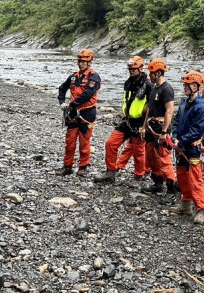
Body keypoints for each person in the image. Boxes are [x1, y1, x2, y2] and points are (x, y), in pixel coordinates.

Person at [102, 56, 152, 184]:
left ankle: (139, 175)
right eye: (130, 69)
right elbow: (127, 100)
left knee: (139, 150)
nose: (131, 71)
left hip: (140, 122)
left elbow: (153, 105)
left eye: (134, 69)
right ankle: (110, 172)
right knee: (110, 143)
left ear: (141, 68)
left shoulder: (148, 85)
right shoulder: (128, 83)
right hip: (127, 120)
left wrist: (145, 123)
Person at [171, 70, 204, 223]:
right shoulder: (184, 102)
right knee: (181, 175)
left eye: (188, 85)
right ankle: (186, 203)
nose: (185, 87)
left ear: (196, 86)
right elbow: (177, 122)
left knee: (195, 179)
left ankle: (201, 208)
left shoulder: (201, 107)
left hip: (192, 148)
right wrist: (175, 137)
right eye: (185, 84)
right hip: (180, 145)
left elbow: (197, 130)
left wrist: (181, 142)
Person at [56, 49, 101, 177]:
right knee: (70, 141)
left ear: (89, 62)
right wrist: (61, 102)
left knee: (84, 141)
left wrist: (72, 104)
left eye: (84, 62)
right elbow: (62, 88)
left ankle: (83, 167)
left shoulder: (94, 77)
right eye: (80, 61)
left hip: (87, 112)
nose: (81, 64)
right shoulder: (73, 77)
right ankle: (67, 166)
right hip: (73, 112)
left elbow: (88, 94)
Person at [141, 58, 176, 202]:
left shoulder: (166, 89)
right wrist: (143, 127)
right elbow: (149, 110)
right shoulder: (154, 88)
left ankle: (171, 189)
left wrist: (164, 132)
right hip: (151, 126)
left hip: (160, 127)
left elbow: (169, 111)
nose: (149, 76)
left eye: (152, 73)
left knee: (163, 159)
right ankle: (157, 182)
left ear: (159, 73)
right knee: (150, 156)